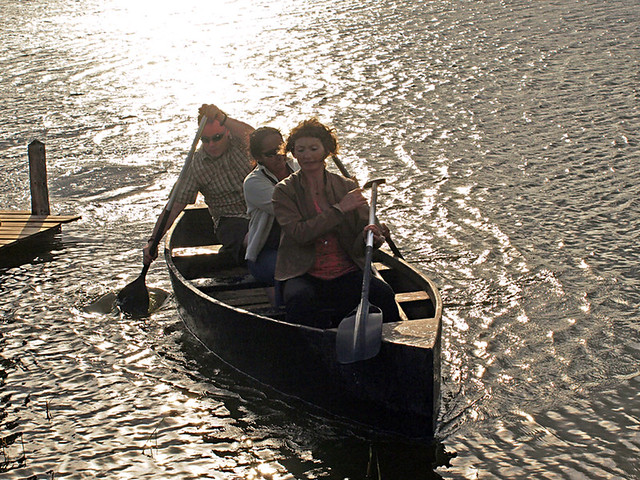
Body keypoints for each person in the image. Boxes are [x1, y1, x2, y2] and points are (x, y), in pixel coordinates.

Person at [272, 118, 400, 328]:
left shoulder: (346, 186)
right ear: (293, 153)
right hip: (304, 272)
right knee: (298, 300)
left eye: (314, 148)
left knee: (384, 294)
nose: (307, 155)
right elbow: (299, 234)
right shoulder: (284, 191)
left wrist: (374, 236)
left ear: (326, 151)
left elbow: (360, 243)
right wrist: (340, 209)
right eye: (301, 150)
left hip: (345, 269)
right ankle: (306, 350)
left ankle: (395, 349)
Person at [143, 104, 255, 267]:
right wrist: (153, 241)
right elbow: (174, 206)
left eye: (217, 137)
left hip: (260, 210)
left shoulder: (242, 145)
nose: (211, 144)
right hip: (231, 220)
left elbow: (254, 134)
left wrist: (223, 118)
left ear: (227, 132)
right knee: (253, 239)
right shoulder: (195, 165)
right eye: (205, 139)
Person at [243, 127, 299, 305]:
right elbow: (288, 209)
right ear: (259, 157)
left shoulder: (297, 166)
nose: (280, 156)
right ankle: (282, 312)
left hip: (301, 244)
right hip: (267, 251)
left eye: (282, 148)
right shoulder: (253, 183)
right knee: (290, 268)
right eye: (271, 153)